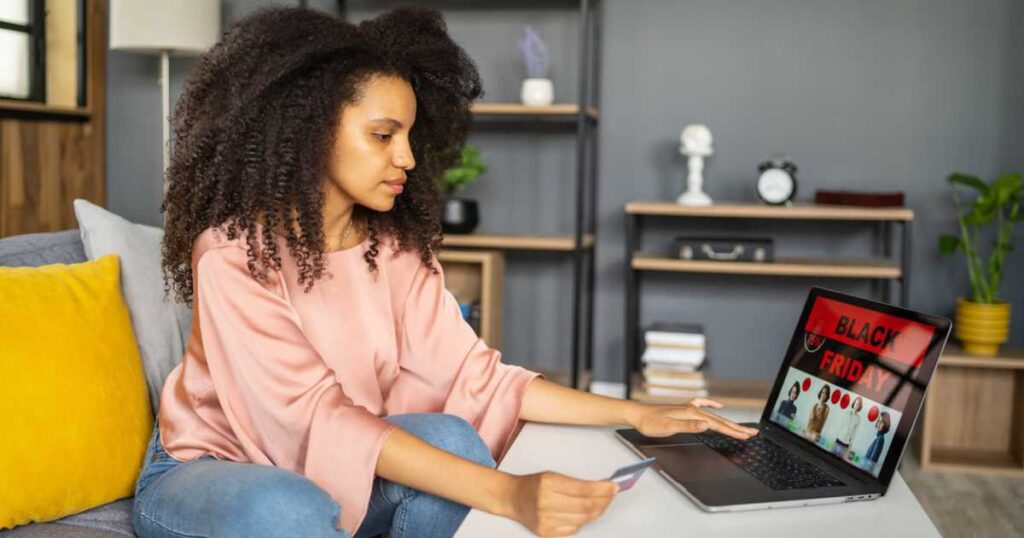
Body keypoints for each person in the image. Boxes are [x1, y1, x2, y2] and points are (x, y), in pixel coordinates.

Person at [131, 7, 758, 538]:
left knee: (452, 440)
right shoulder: (232, 254)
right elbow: (315, 416)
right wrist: (508, 494)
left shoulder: (393, 248)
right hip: (213, 464)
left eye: (408, 135)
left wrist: (638, 413)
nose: (405, 158)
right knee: (290, 509)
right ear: (308, 131)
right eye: (382, 135)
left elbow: (478, 377)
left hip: (328, 467)